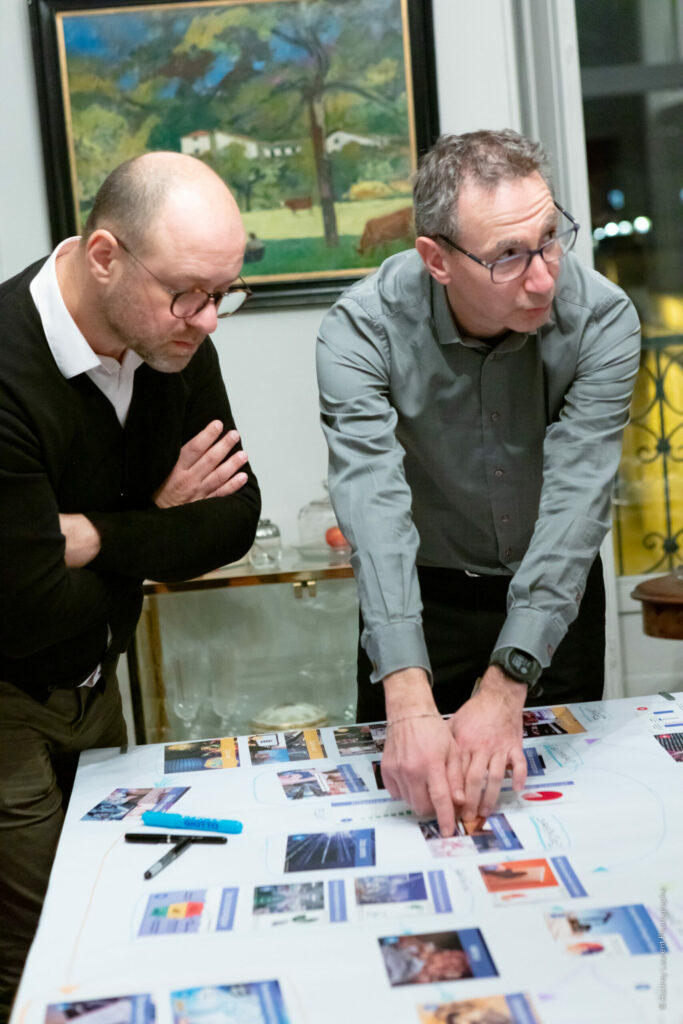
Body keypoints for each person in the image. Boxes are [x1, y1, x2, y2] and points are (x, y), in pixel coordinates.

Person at [316, 130, 641, 837]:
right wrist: (406, 699)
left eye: (550, 238)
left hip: (553, 599)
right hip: (420, 601)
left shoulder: (603, 319)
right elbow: (372, 499)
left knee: (561, 820)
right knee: (406, 817)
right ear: (434, 258)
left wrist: (509, 679)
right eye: (506, 257)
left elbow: (576, 500)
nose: (542, 278)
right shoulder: (360, 330)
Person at [0, 152, 261, 1021]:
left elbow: (230, 520)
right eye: (189, 292)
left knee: (123, 917)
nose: (209, 319)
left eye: (226, 291)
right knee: (41, 959)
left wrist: (97, 535)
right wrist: (156, 523)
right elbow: (30, 601)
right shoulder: (5, 366)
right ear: (104, 255)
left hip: (97, 684)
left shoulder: (174, 338)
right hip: (7, 696)